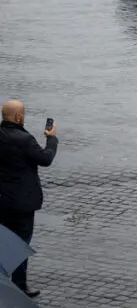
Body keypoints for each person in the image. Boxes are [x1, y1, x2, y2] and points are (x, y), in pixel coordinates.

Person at [0, 100, 58, 298]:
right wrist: (51, 139)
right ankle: (19, 285)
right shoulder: (24, 139)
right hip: (22, 203)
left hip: (2, 201)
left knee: (4, 240)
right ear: (18, 117)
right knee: (20, 242)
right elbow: (45, 159)